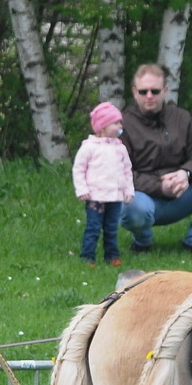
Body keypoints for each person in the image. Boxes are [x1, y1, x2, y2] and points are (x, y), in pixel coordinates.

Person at [119, 63, 192, 254]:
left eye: (155, 91)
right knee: (132, 207)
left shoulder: (181, 118)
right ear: (134, 92)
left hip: (182, 193)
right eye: (143, 91)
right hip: (144, 198)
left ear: (165, 91)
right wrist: (159, 186)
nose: (149, 96)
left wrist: (185, 173)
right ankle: (142, 241)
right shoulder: (122, 124)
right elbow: (121, 174)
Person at [72, 101, 134, 266]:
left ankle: (112, 255)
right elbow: (79, 169)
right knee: (93, 227)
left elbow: (127, 170)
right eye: (116, 123)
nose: (120, 126)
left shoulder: (120, 149)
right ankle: (87, 256)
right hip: (96, 197)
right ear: (102, 127)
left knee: (111, 228)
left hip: (115, 196)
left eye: (120, 122)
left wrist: (129, 190)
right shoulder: (89, 147)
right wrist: (82, 189)